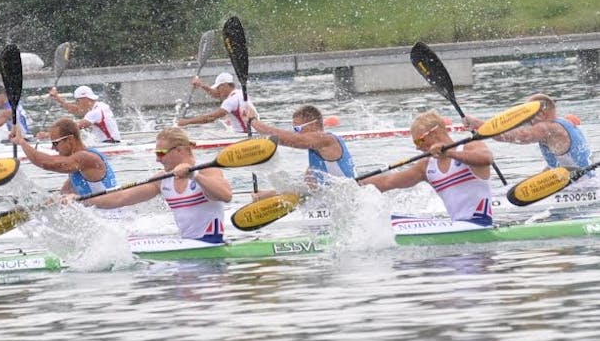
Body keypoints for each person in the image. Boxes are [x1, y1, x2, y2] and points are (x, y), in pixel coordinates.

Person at [84, 127, 232, 243]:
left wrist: (194, 175)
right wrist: (83, 201)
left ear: (179, 150)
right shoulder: (163, 179)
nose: (157, 159)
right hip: (188, 245)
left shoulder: (207, 170)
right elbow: (121, 198)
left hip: (212, 245)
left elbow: (226, 195)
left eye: (161, 153)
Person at [359, 111, 494, 226]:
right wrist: (353, 184)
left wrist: (448, 153)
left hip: (480, 224)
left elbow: (486, 159)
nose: (417, 147)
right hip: (456, 226)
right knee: (388, 222)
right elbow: (387, 181)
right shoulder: (426, 166)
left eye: (419, 141)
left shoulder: (470, 146)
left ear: (435, 133)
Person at [463, 93, 592, 170]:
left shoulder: (547, 128)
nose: (526, 120)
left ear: (542, 113)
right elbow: (555, 167)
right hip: (582, 181)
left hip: (581, 187)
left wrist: (481, 125)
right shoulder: (562, 123)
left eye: (528, 115)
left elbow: (516, 136)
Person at [250, 105, 356, 196]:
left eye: (298, 129)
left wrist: (253, 121)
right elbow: (305, 190)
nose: (296, 133)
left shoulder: (327, 140)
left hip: (347, 200)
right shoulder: (314, 164)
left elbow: (295, 140)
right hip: (335, 200)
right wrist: (267, 195)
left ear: (313, 124)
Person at [10, 117, 117, 196]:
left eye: (55, 143)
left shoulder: (85, 158)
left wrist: (21, 142)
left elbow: (47, 164)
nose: (53, 148)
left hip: (111, 215)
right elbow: (62, 195)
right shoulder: (76, 166)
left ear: (70, 139)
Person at [177, 71, 257, 134]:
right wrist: (201, 85)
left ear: (224, 85)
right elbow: (217, 94)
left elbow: (210, 118)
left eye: (218, 88)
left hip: (244, 136)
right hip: (252, 132)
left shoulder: (231, 101)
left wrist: (187, 122)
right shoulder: (240, 93)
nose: (217, 90)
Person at [47, 85, 120, 143]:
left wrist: (47, 134)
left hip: (109, 144)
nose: (77, 103)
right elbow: (76, 110)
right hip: (112, 142)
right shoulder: (101, 105)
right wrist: (57, 98)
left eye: (77, 100)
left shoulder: (95, 112)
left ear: (85, 99)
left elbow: (73, 128)